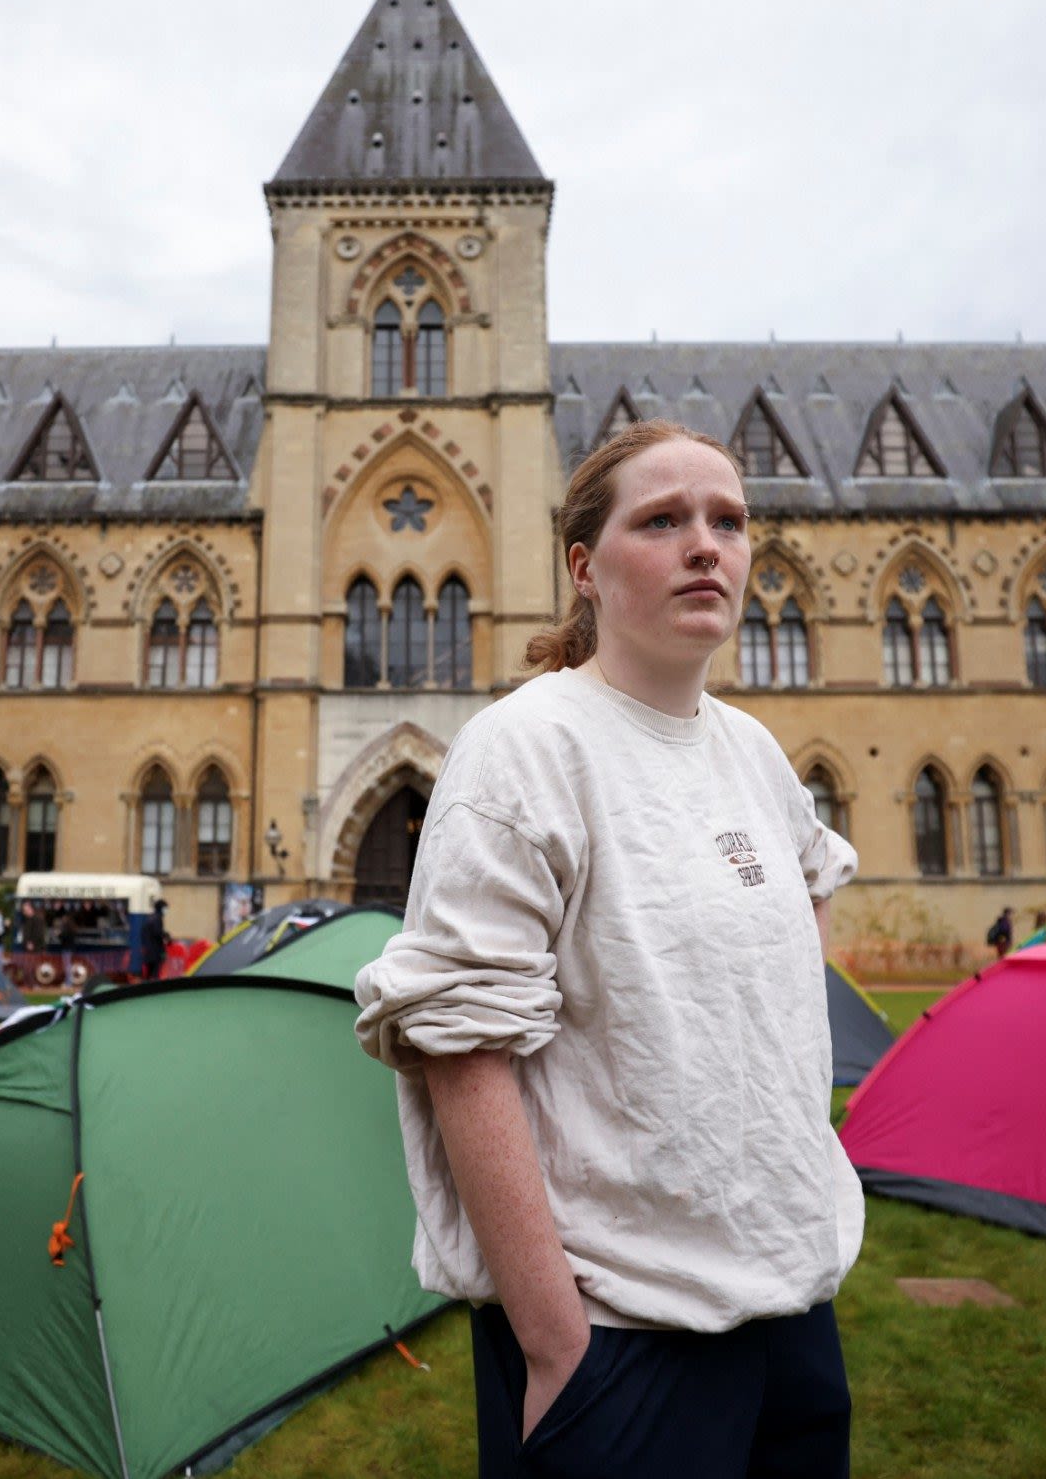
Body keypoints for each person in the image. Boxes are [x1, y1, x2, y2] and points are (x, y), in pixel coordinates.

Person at [355, 419, 860, 1478]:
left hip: (790, 1311)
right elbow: (458, 1041)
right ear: (584, 566)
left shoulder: (752, 751)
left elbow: (812, 880)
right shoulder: (526, 748)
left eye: (728, 520)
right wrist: (556, 1344)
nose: (705, 545)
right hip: (619, 1339)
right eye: (663, 520)